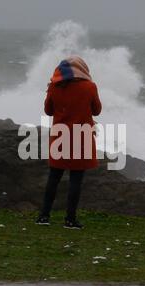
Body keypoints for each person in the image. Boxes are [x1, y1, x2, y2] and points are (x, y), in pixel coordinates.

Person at [36, 56, 102, 229]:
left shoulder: (54, 87)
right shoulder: (89, 87)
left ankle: (44, 216)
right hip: (81, 136)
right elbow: (97, 110)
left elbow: (48, 111)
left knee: (54, 177)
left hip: (59, 136)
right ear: (82, 69)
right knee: (76, 179)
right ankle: (70, 219)